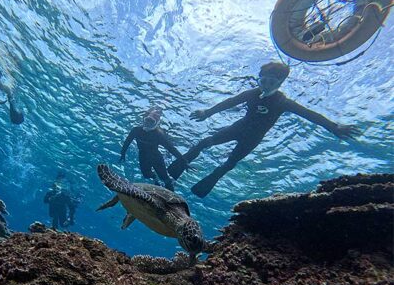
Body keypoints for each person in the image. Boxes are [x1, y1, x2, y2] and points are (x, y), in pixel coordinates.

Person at [168, 62, 360, 198]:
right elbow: (230, 102)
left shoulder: (282, 102)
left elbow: (309, 114)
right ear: (259, 80)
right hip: (237, 129)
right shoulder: (252, 93)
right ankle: (180, 166)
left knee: (230, 163)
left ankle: (209, 181)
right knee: (204, 142)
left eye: (272, 82)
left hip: (251, 139)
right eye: (263, 81)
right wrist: (207, 112)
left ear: (280, 83)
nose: (266, 86)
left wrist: (334, 127)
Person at [120, 107, 189, 191]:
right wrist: (123, 153)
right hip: (143, 155)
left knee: (165, 178)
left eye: (151, 121)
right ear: (144, 119)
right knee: (146, 174)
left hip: (156, 157)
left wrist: (184, 161)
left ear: (156, 123)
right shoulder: (136, 130)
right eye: (147, 120)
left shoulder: (159, 135)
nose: (148, 124)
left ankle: (171, 195)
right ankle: (155, 180)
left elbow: (171, 149)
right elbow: (127, 141)